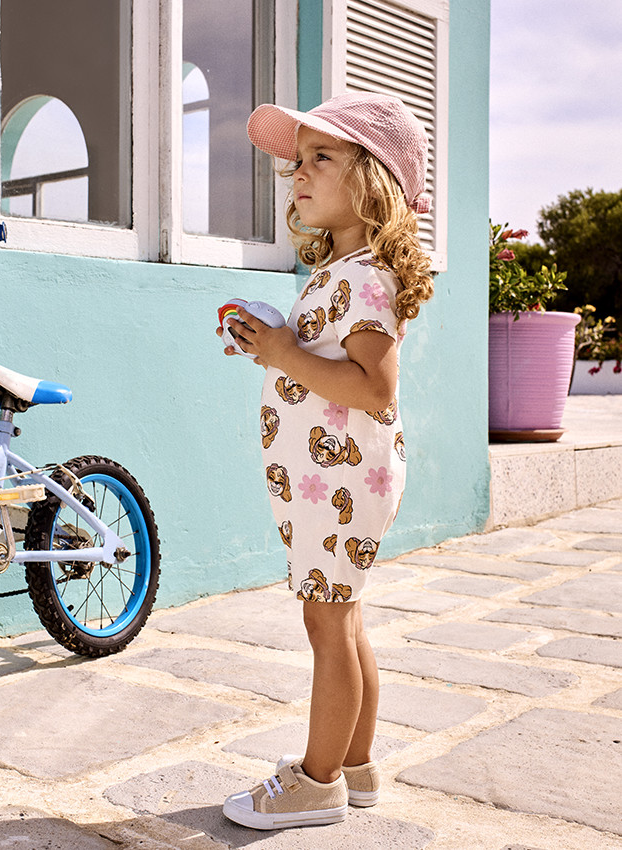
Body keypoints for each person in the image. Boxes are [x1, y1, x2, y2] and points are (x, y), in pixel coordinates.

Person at [219, 92, 434, 831]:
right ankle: (357, 765)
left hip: (340, 479)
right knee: (346, 623)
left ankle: (316, 782)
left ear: (372, 178)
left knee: (327, 626)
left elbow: (374, 388)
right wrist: (274, 348)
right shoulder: (341, 270)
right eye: (295, 160)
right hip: (326, 479)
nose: (296, 174)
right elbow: (323, 366)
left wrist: (284, 353)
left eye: (320, 158)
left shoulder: (368, 276)